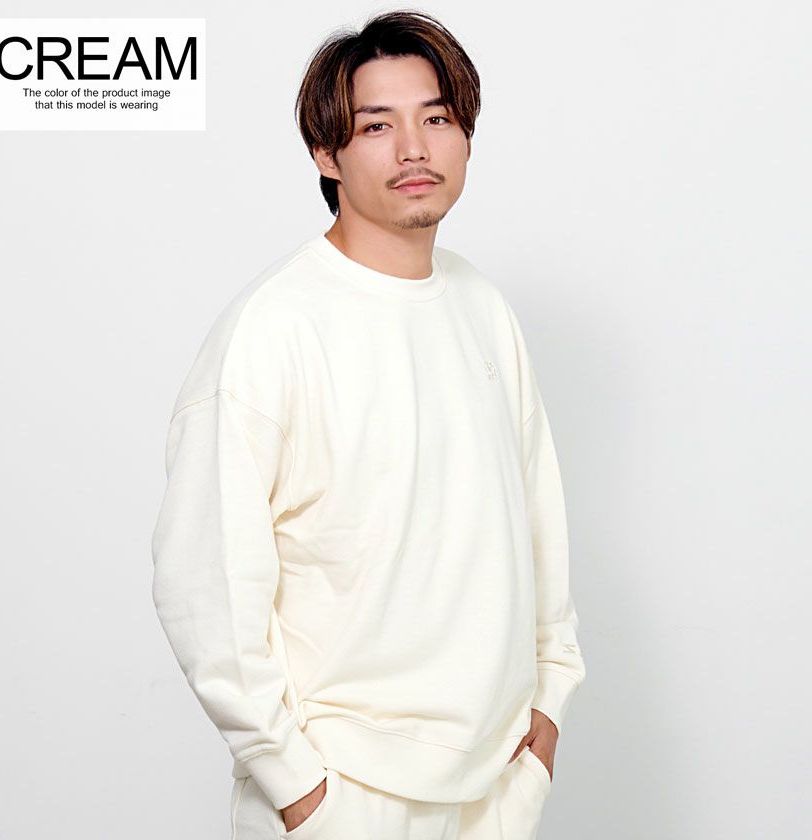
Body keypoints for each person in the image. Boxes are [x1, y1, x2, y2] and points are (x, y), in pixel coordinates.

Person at [150, 9, 586, 839]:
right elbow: (204, 584)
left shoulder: (481, 307)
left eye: (437, 119)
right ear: (327, 152)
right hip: (346, 791)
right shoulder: (272, 329)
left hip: (496, 782)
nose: (415, 149)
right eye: (378, 125)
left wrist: (549, 705)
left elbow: (537, 522)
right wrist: (295, 784)